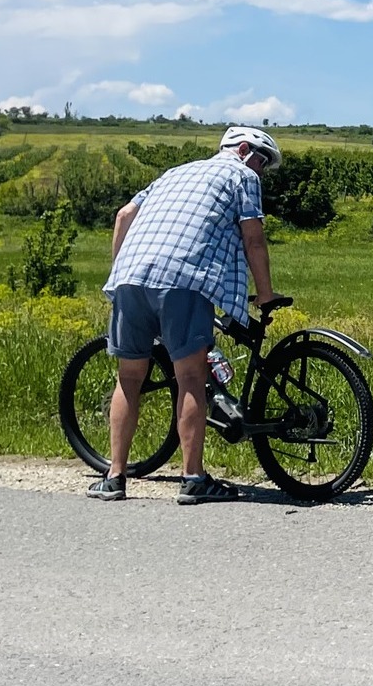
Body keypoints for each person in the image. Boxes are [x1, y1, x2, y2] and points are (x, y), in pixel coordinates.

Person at [89, 126, 284, 505]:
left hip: (130, 276)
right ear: (243, 150)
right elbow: (253, 237)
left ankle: (114, 478)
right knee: (191, 375)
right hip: (185, 279)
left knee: (129, 378)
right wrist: (265, 293)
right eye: (262, 161)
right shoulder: (242, 175)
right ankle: (193, 478)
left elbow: (124, 215)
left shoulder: (173, 173)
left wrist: (122, 273)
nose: (262, 172)